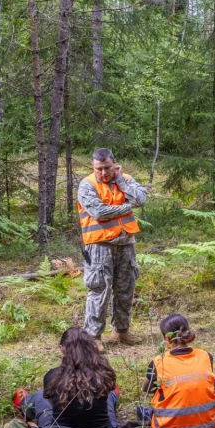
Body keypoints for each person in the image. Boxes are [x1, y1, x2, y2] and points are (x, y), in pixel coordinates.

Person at [77, 148, 148, 352]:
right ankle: (93, 336)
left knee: (126, 288)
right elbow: (98, 211)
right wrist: (127, 207)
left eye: (107, 168)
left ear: (114, 165)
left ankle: (121, 330)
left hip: (126, 243)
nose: (103, 173)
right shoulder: (87, 184)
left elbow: (141, 199)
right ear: (93, 167)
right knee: (99, 289)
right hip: (99, 245)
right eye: (99, 169)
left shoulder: (125, 179)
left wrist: (122, 183)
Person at [18, 327, 122, 428]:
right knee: (109, 396)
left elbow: (53, 406)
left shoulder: (53, 376)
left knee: (40, 396)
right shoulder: (103, 373)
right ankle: (114, 392)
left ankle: (23, 402)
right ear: (92, 346)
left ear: (62, 348)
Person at [142, 314, 215, 428]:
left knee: (160, 390)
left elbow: (146, 389)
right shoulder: (205, 356)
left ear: (166, 339)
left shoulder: (158, 362)